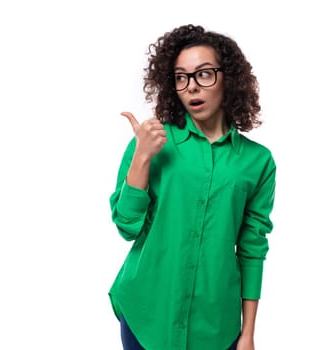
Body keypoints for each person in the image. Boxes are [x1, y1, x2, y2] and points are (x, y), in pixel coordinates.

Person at [109, 24, 277, 350]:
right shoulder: (152, 141)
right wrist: (142, 157)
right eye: (181, 77)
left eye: (203, 74)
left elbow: (253, 247)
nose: (192, 88)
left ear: (228, 77)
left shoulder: (258, 162)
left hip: (216, 326)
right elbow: (126, 225)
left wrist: (248, 332)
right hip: (147, 315)